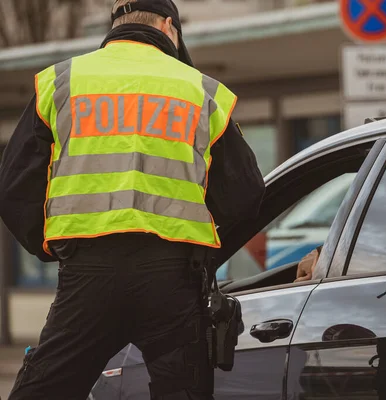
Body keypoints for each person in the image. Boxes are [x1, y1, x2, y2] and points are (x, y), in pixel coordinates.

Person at [0, 1, 264, 399]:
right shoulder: (202, 91)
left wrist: (52, 245)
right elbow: (246, 193)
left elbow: (14, 184)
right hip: (172, 280)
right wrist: (203, 247)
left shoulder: (61, 81)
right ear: (168, 26)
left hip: (87, 276)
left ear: (116, 25)